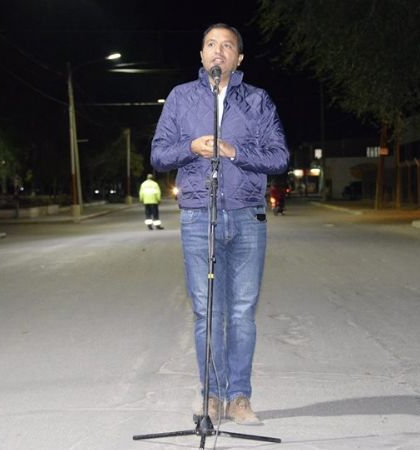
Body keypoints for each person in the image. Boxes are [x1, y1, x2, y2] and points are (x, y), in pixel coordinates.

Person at [150, 23, 289, 425]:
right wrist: (191, 147)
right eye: (211, 44)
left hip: (248, 215)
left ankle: (239, 398)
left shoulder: (258, 101)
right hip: (198, 215)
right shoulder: (181, 98)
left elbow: (279, 157)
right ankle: (211, 396)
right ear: (201, 55)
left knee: (242, 312)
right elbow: (159, 155)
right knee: (207, 312)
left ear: (238, 58)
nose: (218, 51)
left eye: (227, 46)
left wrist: (235, 151)